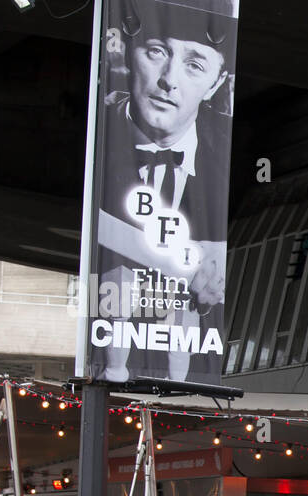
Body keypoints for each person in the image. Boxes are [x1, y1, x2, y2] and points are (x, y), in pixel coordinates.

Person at [93, 0, 235, 383]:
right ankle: (116, 369)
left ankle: (179, 383)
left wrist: (208, 275)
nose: (169, 80)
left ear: (216, 84)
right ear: (130, 51)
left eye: (194, 65)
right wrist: (183, 266)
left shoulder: (225, 151)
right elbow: (94, 223)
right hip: (110, 329)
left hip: (183, 340)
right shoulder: (98, 134)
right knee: (119, 274)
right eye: (157, 52)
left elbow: (218, 261)